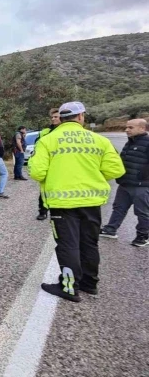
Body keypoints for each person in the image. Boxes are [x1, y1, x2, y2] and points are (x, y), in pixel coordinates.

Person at [29, 101, 125, 301]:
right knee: (89, 243)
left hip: (61, 203)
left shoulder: (48, 140)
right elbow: (116, 170)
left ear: (60, 118)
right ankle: (90, 284)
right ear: (81, 117)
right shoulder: (99, 140)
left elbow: (37, 172)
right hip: (92, 201)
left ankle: (69, 287)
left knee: (67, 245)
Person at [99, 118, 149, 247]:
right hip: (125, 183)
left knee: (142, 212)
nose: (127, 130)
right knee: (118, 208)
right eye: (126, 127)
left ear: (142, 128)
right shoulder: (130, 143)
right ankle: (110, 229)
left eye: (131, 127)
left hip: (141, 186)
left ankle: (143, 236)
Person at [36, 108, 62, 220]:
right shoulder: (45, 132)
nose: (53, 119)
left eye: (56, 117)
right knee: (44, 190)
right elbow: (37, 148)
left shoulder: (67, 132)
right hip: (49, 165)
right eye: (52, 117)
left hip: (63, 165)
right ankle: (43, 211)